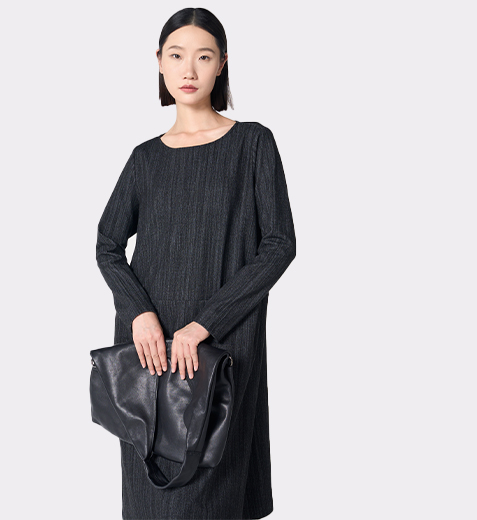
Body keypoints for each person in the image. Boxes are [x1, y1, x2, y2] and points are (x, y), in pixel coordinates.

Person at [95, 7, 296, 519]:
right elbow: (108, 243)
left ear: (222, 64)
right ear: (159, 62)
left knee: (212, 490)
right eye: (176, 55)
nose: (188, 70)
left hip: (222, 343)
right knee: (151, 494)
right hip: (151, 353)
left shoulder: (252, 143)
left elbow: (279, 245)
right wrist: (139, 313)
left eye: (203, 57)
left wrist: (205, 324)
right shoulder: (145, 158)